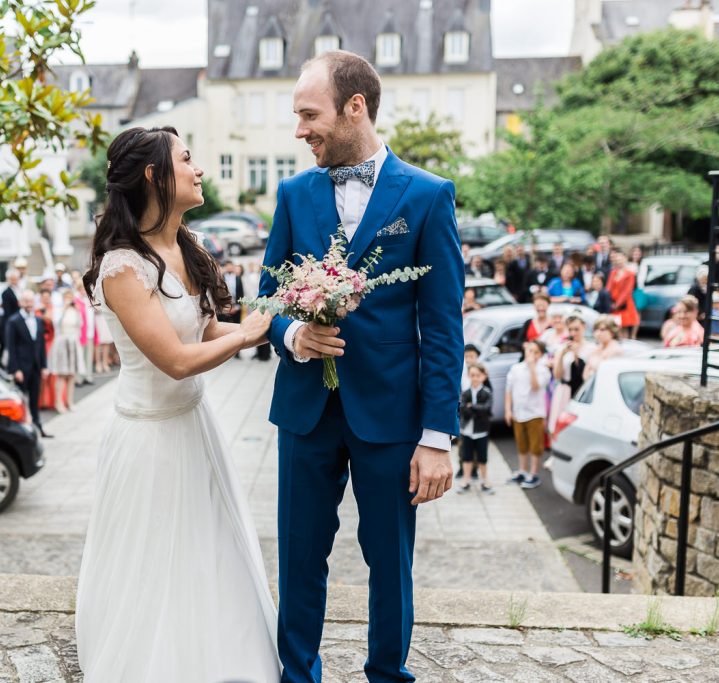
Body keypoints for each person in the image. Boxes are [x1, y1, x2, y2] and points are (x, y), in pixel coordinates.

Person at [259, 51, 463, 682]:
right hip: (305, 412)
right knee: (298, 559)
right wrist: (293, 334)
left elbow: (443, 325)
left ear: (355, 107)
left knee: (389, 563)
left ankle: (387, 676)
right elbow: (266, 300)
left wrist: (437, 436)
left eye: (308, 114)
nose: (300, 130)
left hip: (392, 418)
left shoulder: (428, 197)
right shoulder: (294, 196)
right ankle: (298, 676)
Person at [74, 126, 278, 683]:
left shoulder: (186, 246)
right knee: (154, 566)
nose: (199, 168)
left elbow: (210, 329)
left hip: (195, 426)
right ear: (153, 174)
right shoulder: (121, 267)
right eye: (187, 159)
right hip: (150, 440)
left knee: (208, 555)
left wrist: (287, 327)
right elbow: (178, 360)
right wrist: (249, 333)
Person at [505, 340, 551, 490]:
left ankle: (534, 473)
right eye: (529, 350)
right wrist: (508, 410)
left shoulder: (543, 370)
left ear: (541, 355)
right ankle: (523, 470)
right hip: (519, 413)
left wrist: (532, 368)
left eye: (535, 352)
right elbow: (509, 390)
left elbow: (536, 386)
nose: (531, 354)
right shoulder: (516, 368)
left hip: (535, 414)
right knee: (522, 444)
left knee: (535, 446)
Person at [5, 290, 52, 438]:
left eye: (31, 301)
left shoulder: (38, 320)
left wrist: (44, 366)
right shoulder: (13, 321)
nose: (29, 304)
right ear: (20, 303)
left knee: (35, 399)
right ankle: (21, 430)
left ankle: (38, 426)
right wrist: (15, 369)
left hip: (36, 367)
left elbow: (41, 345)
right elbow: (10, 347)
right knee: (20, 399)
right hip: (21, 368)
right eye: (26, 301)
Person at [457, 363, 493, 495]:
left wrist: (472, 407)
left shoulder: (487, 393)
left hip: (481, 431)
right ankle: (466, 479)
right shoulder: (465, 393)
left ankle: (485, 480)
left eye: (478, 375)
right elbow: (462, 409)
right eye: (472, 375)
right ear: (468, 376)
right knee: (466, 457)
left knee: (482, 457)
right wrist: (474, 409)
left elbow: (486, 409)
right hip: (467, 430)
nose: (475, 378)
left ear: (483, 376)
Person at [550, 315, 590, 432]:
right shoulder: (562, 348)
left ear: (584, 327)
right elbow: (557, 376)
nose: (573, 333)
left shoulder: (590, 348)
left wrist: (577, 355)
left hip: (580, 391)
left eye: (576, 329)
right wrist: (562, 355)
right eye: (570, 329)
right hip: (564, 391)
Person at [48, 289, 84, 411]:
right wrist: (64, 309)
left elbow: (80, 325)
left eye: (70, 297)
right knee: (62, 375)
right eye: (67, 297)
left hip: (73, 342)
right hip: (62, 342)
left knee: (72, 374)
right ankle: (59, 402)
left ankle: (70, 401)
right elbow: (56, 325)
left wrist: (77, 311)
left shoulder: (75, 311)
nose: (69, 299)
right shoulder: (59, 310)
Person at [607, 250, 639, 339]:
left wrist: (617, 305)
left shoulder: (630, 274)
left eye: (621, 259)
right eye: (617, 259)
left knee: (624, 328)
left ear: (625, 259)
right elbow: (608, 288)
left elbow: (627, 291)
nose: (619, 261)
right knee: (616, 328)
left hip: (624, 305)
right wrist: (609, 302)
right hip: (613, 304)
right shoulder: (613, 272)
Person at [0, 267, 23, 367]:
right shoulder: (6, 293)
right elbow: (8, 312)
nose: (14, 281)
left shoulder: (19, 291)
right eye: (12, 279)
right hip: (12, 322)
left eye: (16, 278)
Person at [584, 316, 625, 381]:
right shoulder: (598, 347)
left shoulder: (616, 350)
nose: (598, 333)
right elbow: (585, 373)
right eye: (596, 330)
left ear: (612, 332)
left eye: (602, 330)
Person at [219, 260, 244, 325]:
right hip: (224, 308)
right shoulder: (221, 278)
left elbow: (241, 293)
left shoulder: (238, 278)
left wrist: (237, 307)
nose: (229, 267)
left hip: (236, 307)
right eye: (228, 266)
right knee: (225, 325)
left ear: (233, 267)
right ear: (225, 267)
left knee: (237, 325)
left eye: (230, 266)